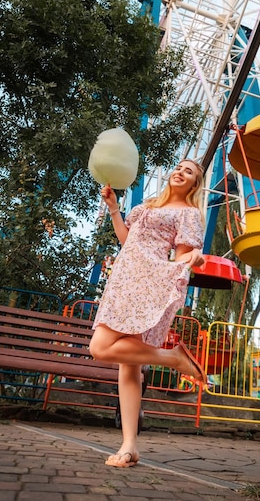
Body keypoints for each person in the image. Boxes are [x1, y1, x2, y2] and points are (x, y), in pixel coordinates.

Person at [89, 159, 206, 468]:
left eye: (189, 172)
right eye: (179, 167)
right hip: (123, 277)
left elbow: (181, 259)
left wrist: (194, 257)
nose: (181, 172)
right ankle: (130, 445)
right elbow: (128, 242)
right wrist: (115, 208)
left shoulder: (189, 214)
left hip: (149, 282)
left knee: (100, 349)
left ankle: (174, 358)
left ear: (195, 184)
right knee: (127, 365)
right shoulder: (146, 206)